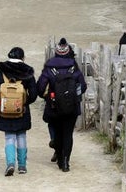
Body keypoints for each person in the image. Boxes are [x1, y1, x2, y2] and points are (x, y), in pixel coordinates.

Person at [37, 38, 87, 172]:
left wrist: (46, 96)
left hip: (54, 106)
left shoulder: (50, 67)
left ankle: (59, 158)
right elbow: (82, 86)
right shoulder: (73, 67)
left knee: (57, 133)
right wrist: (74, 97)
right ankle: (66, 162)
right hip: (71, 107)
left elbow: (40, 87)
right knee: (68, 134)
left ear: (57, 52)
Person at [0, 47, 38, 176]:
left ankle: (10, 163)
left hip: (5, 109)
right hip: (22, 109)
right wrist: (25, 102)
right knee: (21, 136)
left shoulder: (1, 71)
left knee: (9, 137)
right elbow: (34, 94)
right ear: (22, 58)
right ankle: (22, 165)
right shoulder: (27, 71)